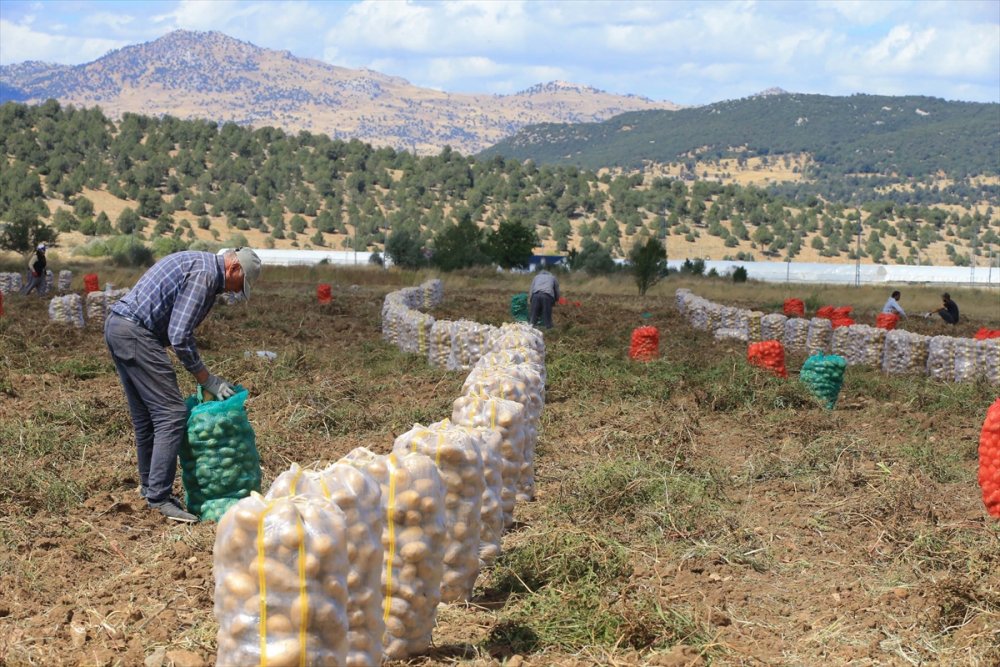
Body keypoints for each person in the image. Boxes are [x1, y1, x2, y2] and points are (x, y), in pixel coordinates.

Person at [104, 248, 262, 522]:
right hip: (136, 333)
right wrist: (206, 378)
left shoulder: (199, 264)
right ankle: (159, 498)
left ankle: (149, 488)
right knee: (172, 414)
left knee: (147, 418)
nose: (236, 292)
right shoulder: (205, 276)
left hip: (119, 327)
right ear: (234, 269)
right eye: (240, 285)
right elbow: (179, 334)